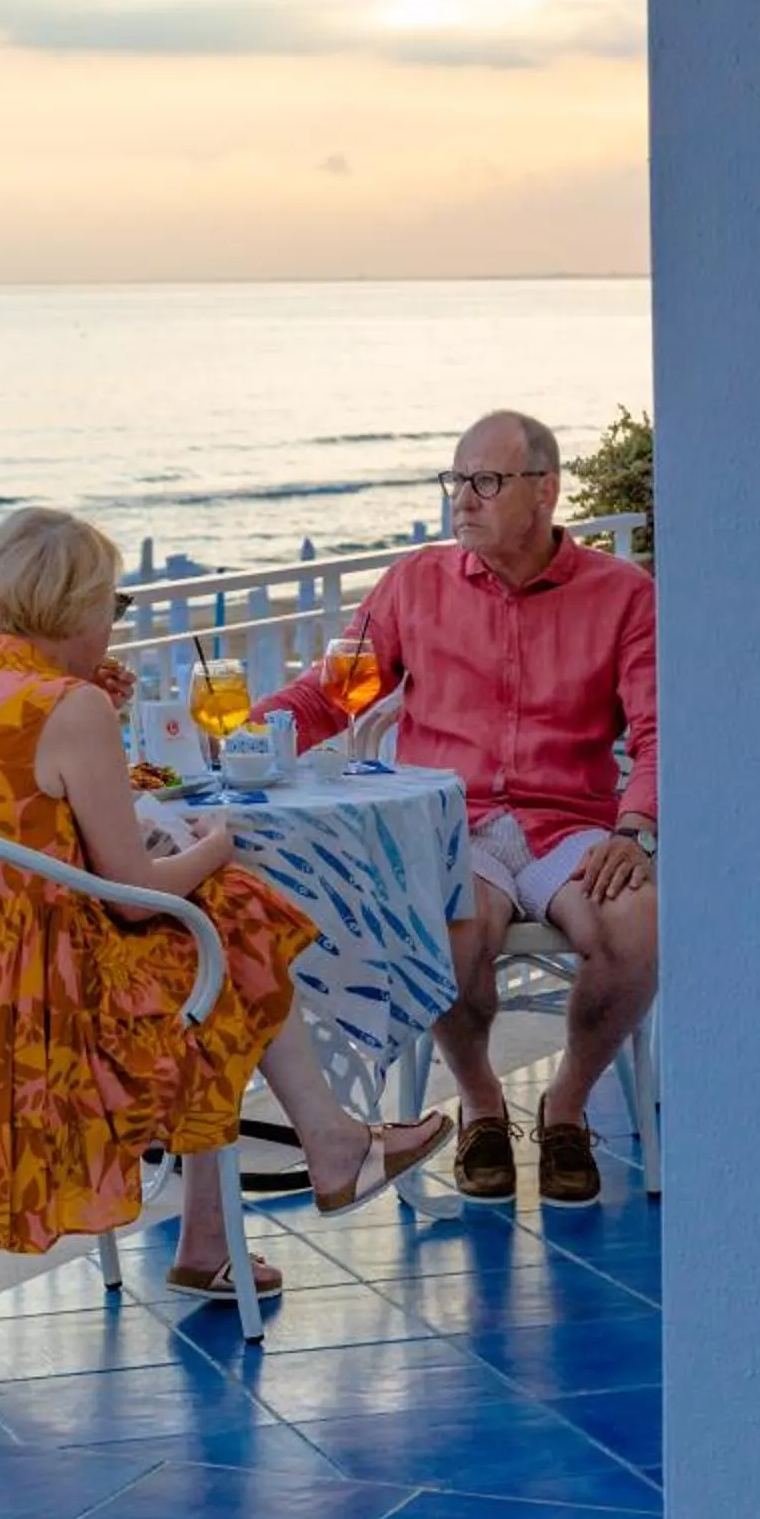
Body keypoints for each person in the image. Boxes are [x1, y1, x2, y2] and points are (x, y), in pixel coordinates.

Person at [0, 505, 452, 1298]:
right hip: (33, 1017)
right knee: (233, 923)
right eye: (113, 606)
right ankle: (314, 1156)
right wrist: (214, 842)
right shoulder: (68, 708)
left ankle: (253, 1207)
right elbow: (132, 898)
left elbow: (16, 819)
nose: (114, 625)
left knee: (221, 931)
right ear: (78, 606)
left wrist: (90, 713)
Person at [259, 409, 657, 1209]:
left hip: (570, 820)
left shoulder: (623, 596)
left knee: (636, 926)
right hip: (452, 824)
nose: (463, 500)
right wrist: (237, 736)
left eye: (486, 482)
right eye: (456, 480)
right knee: (447, 926)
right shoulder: (416, 585)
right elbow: (332, 696)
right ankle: (480, 1104)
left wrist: (635, 827)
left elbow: (659, 729)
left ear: (544, 493)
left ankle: (567, 1108)